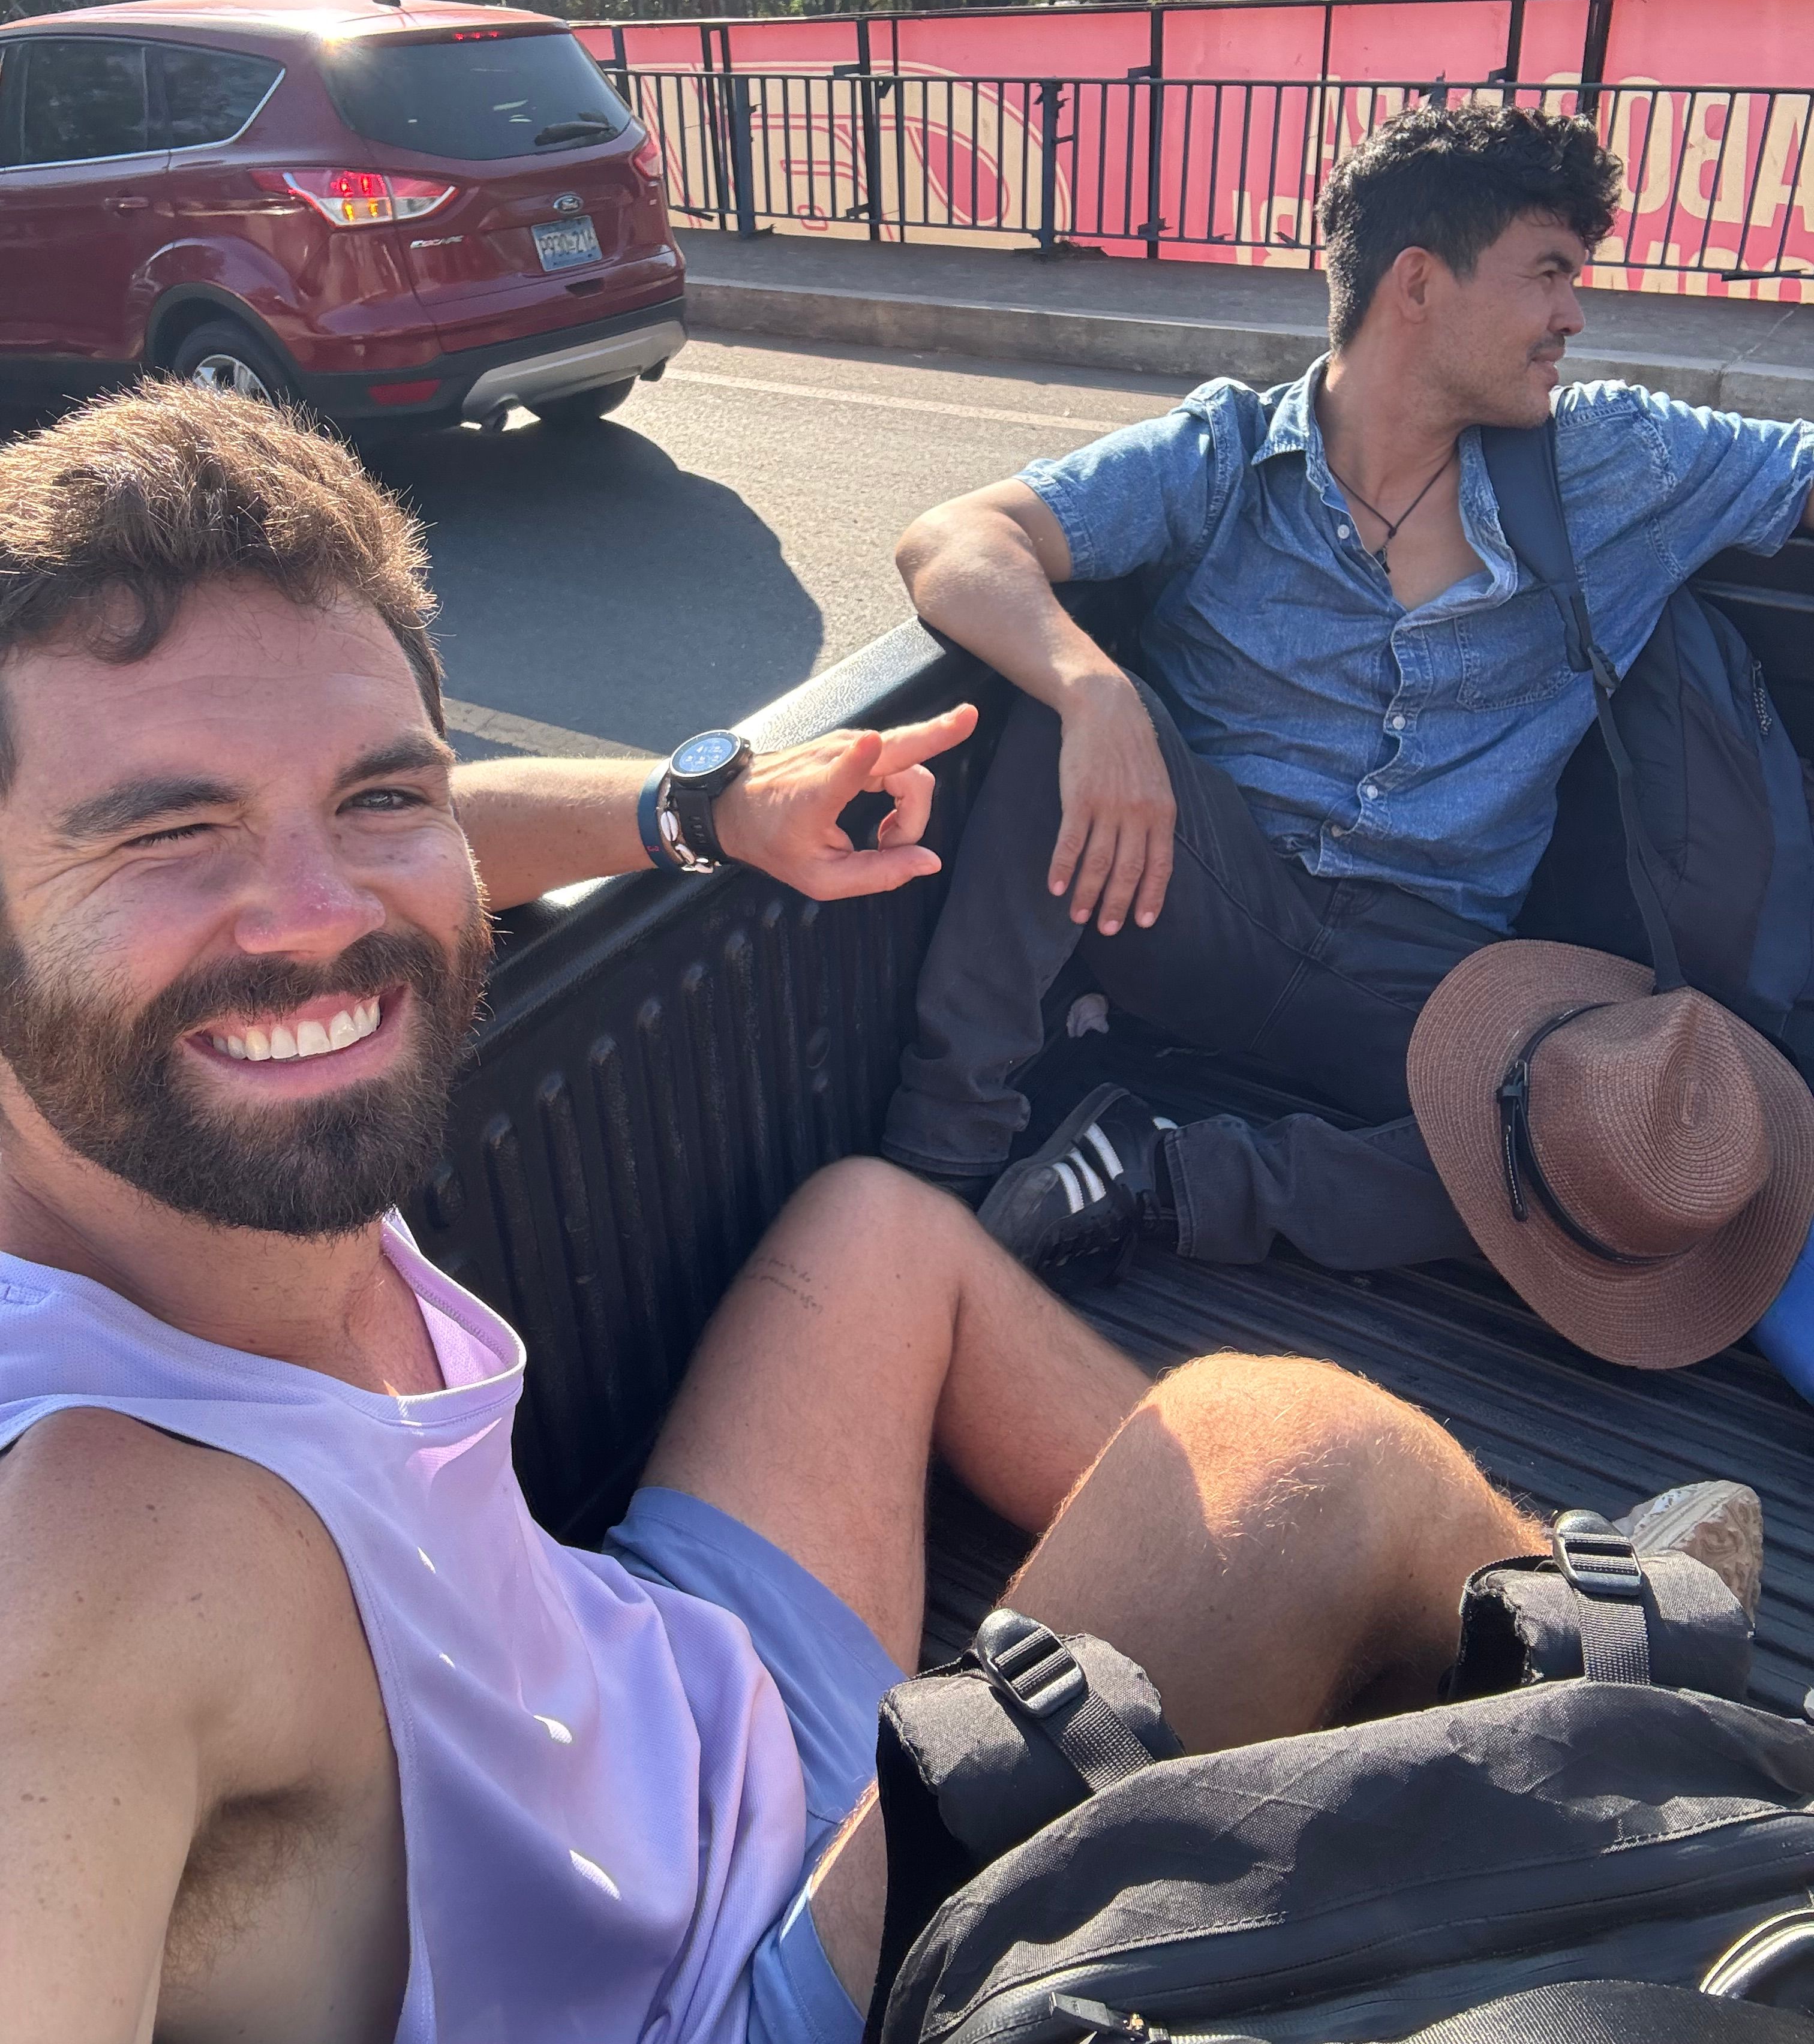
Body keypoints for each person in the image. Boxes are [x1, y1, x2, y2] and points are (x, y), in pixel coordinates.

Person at [0, 386, 1734, 2044]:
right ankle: (1620, 1701)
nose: (317, 917)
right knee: (1297, 1455)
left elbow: (432, 828)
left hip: (668, 1691)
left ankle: (1356, 1622)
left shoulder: (175, 1103)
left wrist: (697, 806)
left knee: (878, 1229)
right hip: (729, 1987)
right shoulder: (86, 1562)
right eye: (165, 833)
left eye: (373, 795)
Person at [879, 103, 1814, 1275]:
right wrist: (1094, 693)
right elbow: (952, 540)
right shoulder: (1223, 452)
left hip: (1432, 987)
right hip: (1200, 909)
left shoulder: (1621, 458)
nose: (1574, 314)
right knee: (1060, 711)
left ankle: (1170, 1182)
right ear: (1417, 282)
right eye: (1547, 273)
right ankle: (939, 1169)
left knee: (1632, 1155)